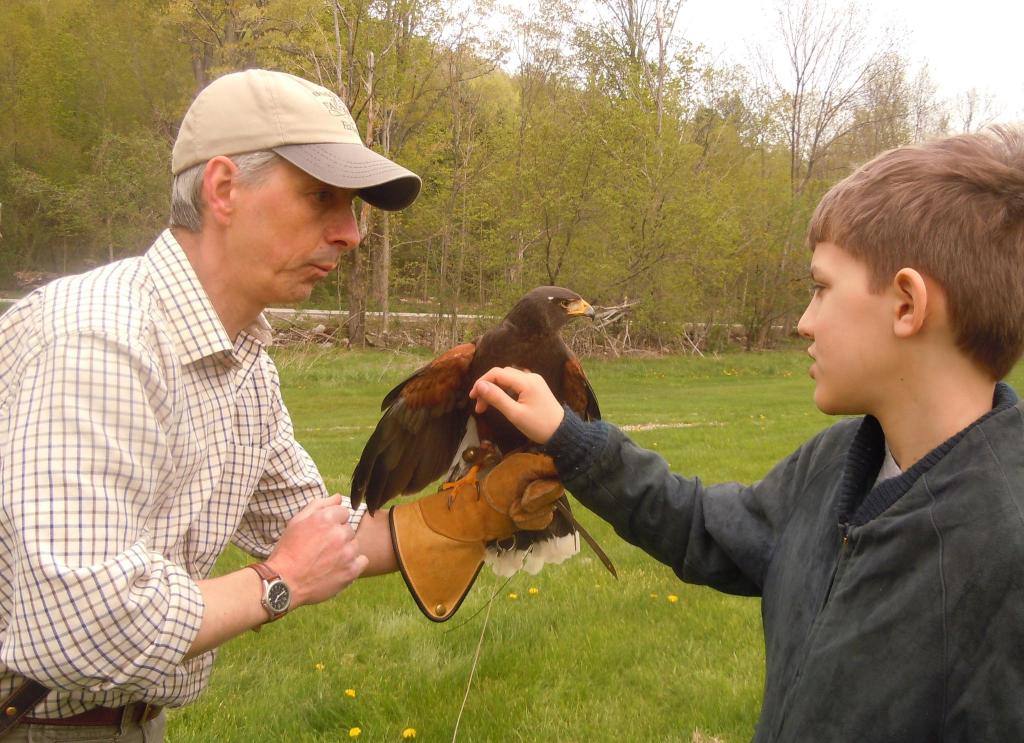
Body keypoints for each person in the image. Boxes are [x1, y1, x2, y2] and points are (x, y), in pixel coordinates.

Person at [0, 69, 562, 741]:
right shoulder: (97, 340)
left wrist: (477, 511)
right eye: (321, 197)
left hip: (130, 722)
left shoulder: (243, 362)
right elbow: (83, 626)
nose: (351, 233)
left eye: (351, 206)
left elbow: (315, 530)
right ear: (223, 189)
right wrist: (278, 580)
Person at [469, 127, 1024, 741]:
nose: (803, 323)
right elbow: (705, 528)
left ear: (906, 305)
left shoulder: (1005, 553)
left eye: (821, 288)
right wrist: (569, 437)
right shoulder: (838, 463)